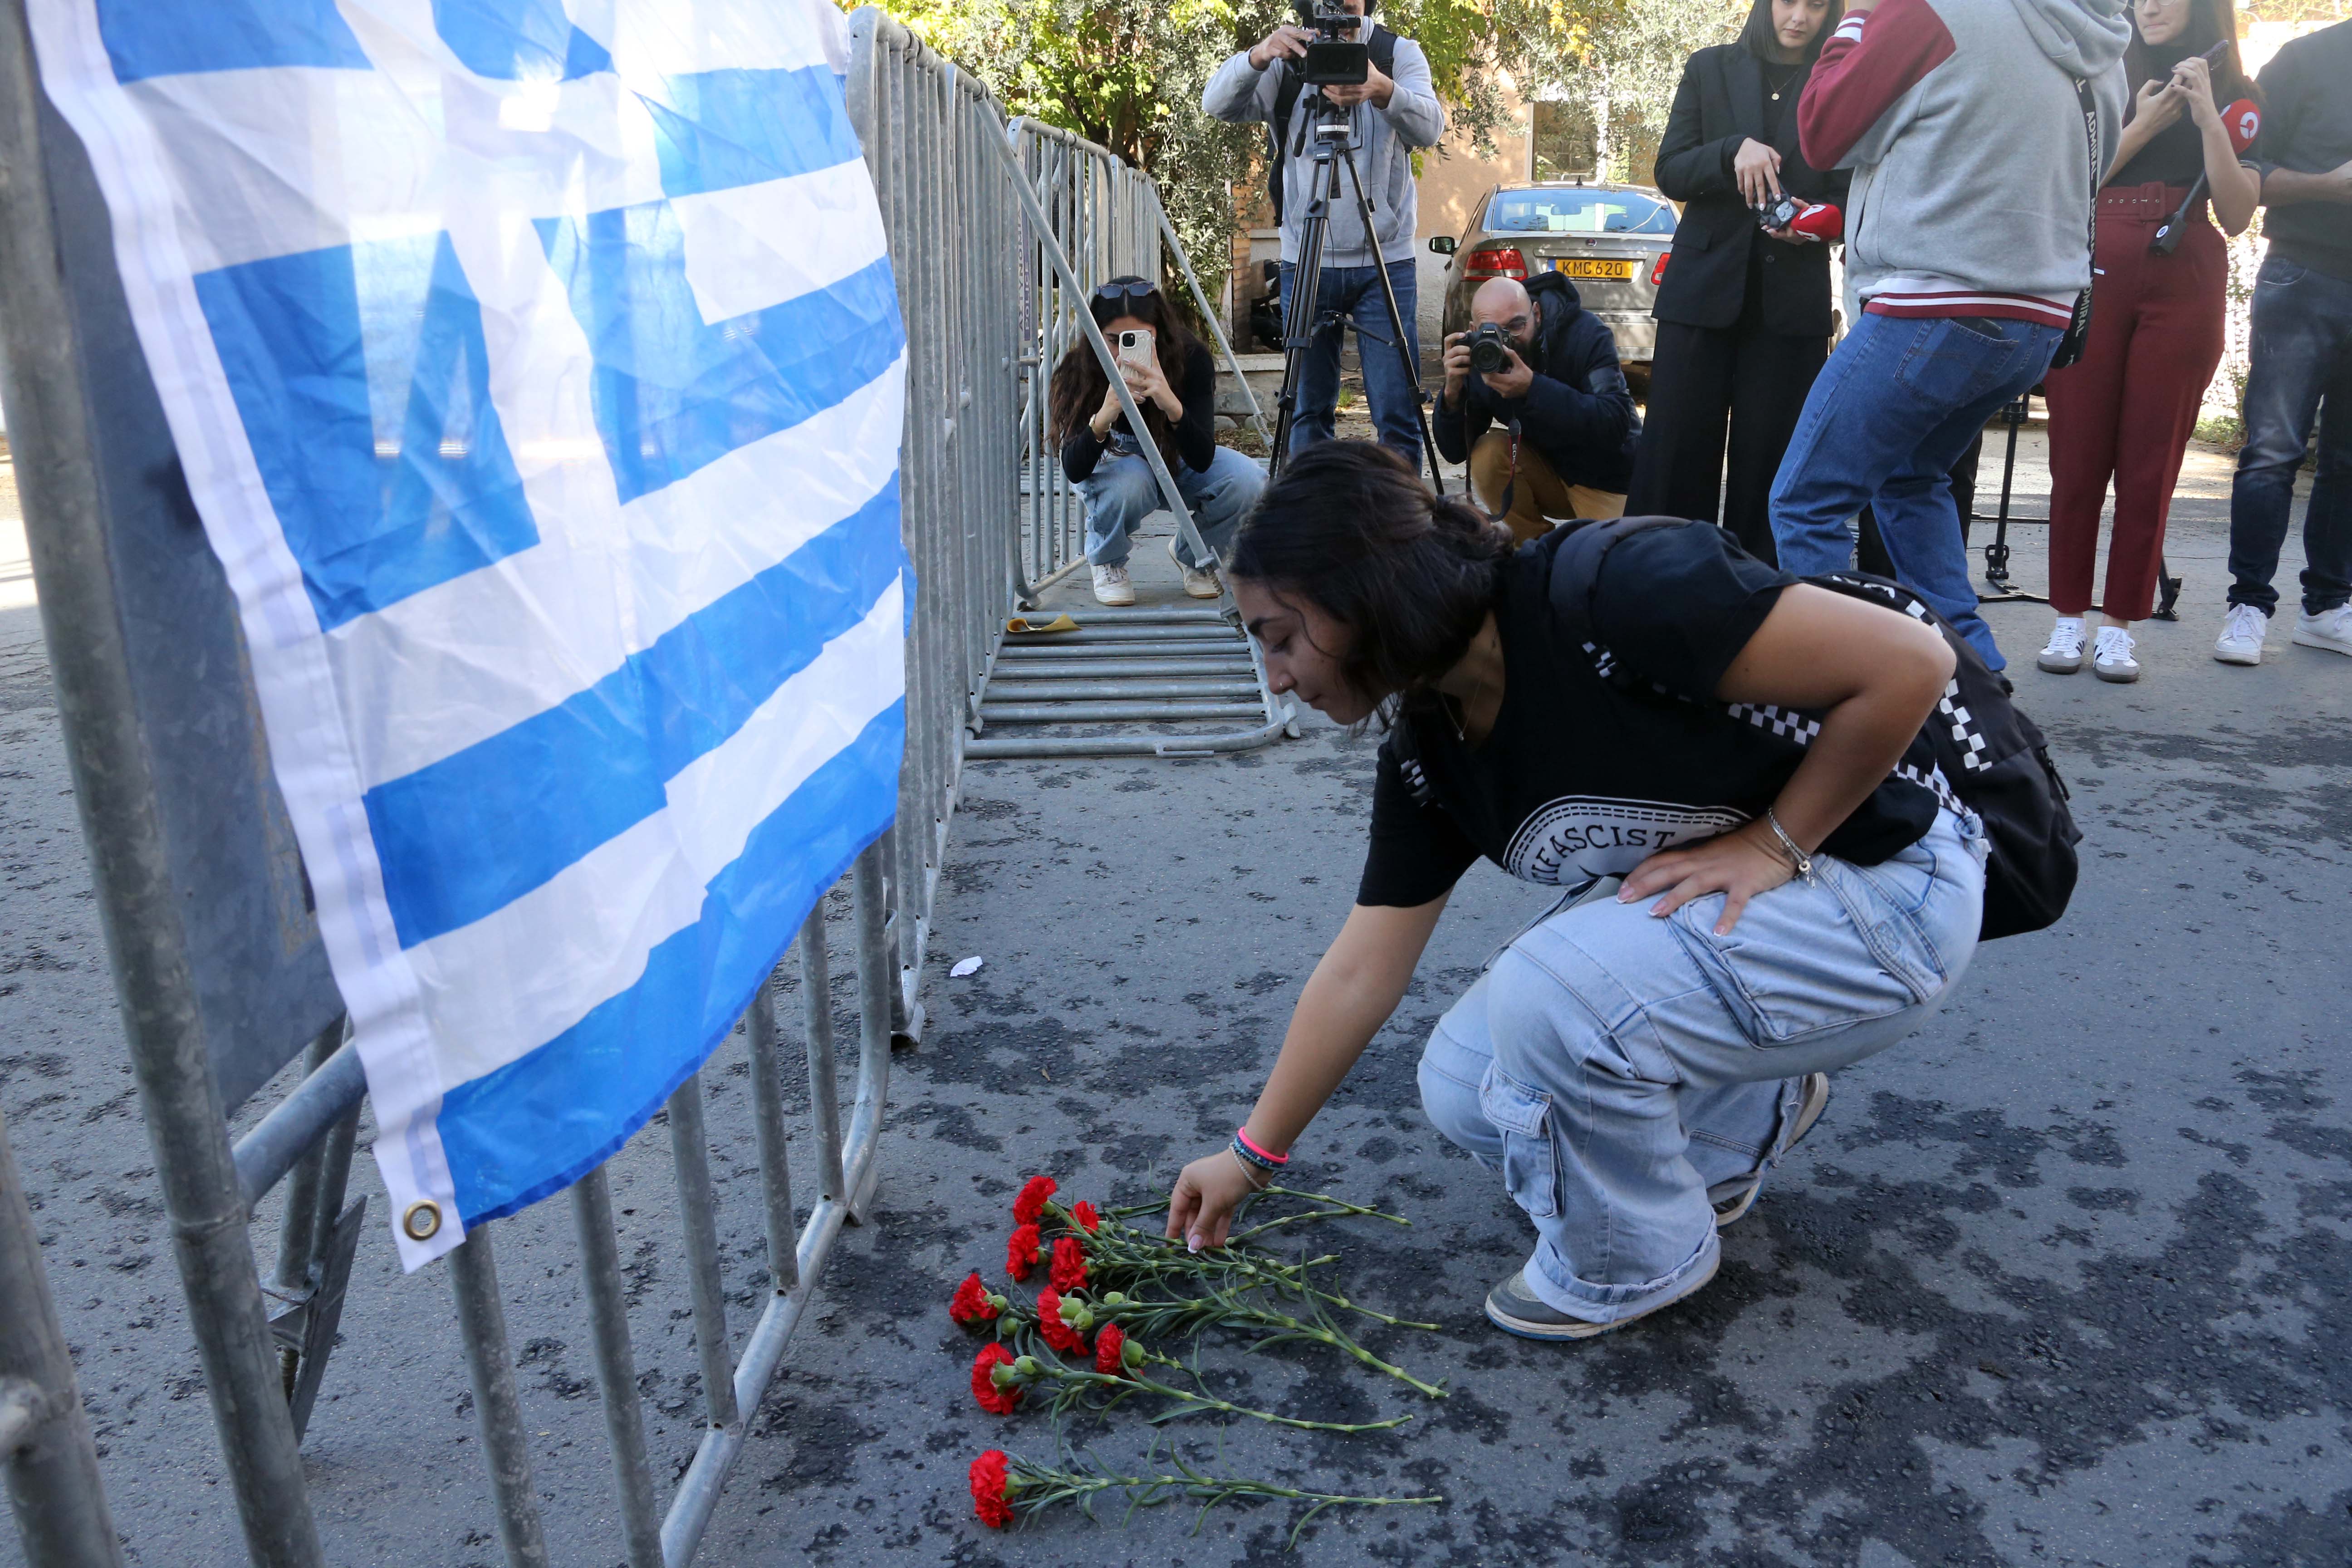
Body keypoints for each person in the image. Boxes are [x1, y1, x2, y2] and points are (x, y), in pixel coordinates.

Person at [1165, 442, 1986, 1339]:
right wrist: (1249, 1158)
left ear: (1363, 595)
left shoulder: (1609, 587)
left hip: (1888, 888)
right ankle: (1741, 1127)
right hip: (1762, 920)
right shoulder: (1432, 751)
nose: (1277, 679)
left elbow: (1911, 663)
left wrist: (1773, 843)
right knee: (1465, 1081)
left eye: (1281, 639)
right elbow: (1363, 970)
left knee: (1547, 994)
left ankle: (1637, 1259)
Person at [1768, 0, 2130, 671]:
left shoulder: (1928, 14)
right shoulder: (2101, 37)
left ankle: (1851, 698)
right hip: (2038, 318)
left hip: (1933, 308)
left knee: (1806, 503)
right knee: (1910, 480)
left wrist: (1855, 20)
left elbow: (1821, 134)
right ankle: (1981, 690)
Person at [2036, 0, 2259, 684]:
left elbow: (2239, 210)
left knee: (2151, 459)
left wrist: (2204, 119)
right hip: (2095, 254)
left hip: (2185, 258)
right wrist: (2140, 127)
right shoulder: (2096, 72)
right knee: (2077, 451)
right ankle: (2068, 617)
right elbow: (2064, 183)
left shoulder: (2241, 95)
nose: (2151, 6)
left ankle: (2120, 626)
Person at [1627, 0, 1850, 563]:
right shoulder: (1710, 67)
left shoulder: (1840, 83)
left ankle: (1761, 604)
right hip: (1701, 292)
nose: (1799, 17)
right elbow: (1671, 169)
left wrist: (1815, 222)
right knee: (1676, 454)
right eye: (1788, 2)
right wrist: (1732, 151)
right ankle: (1658, 583)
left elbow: (1852, 193)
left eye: (1816, 5)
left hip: (1791, 300)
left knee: (1773, 465)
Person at [1203, 0, 1446, 466]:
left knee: (1397, 409)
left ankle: (1402, 527)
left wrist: (1384, 90)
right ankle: (1312, 521)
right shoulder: (1290, 57)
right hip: (1306, 258)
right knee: (1307, 410)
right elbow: (1216, 104)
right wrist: (1259, 55)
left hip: (1384, 261)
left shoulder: (1396, 53)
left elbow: (1431, 127)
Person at [2211, 17, 2352, 668]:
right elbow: (2248, 175)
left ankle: (2326, 608)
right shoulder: (2306, 58)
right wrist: (2331, 185)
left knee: (2349, 462)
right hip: (2304, 272)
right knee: (2272, 450)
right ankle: (2248, 608)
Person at [1051, 277, 1265, 607]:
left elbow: (1203, 458)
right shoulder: (1083, 367)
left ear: (1159, 331)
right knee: (1132, 480)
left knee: (1249, 480)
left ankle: (1195, 555)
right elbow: (1074, 468)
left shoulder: (1190, 357)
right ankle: (1107, 561)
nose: (1124, 350)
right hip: (1118, 460)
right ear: (1095, 334)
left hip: (1176, 455)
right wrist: (1106, 413)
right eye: (1113, 339)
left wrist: (1171, 404)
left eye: (1138, 339)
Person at [1432, 275, 1639, 542]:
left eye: (1516, 326)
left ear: (1537, 314)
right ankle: (1531, 548)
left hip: (1606, 478)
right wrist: (1452, 394)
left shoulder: (1586, 333)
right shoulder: (1483, 354)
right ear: (1474, 328)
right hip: (1544, 472)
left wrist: (1533, 388)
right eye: (1493, 329)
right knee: (1488, 452)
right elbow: (1455, 452)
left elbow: (1615, 422)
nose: (1506, 341)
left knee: (1615, 563)